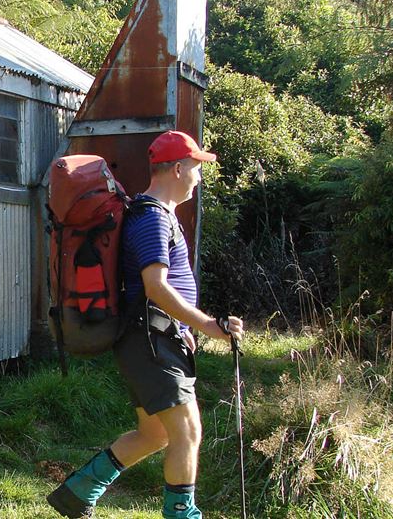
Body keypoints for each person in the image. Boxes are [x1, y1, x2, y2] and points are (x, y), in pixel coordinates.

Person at [46, 131, 244, 519]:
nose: (199, 177)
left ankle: (77, 492)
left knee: (156, 433)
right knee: (187, 431)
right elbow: (155, 286)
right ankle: (182, 515)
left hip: (151, 339)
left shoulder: (153, 214)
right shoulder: (152, 217)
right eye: (197, 168)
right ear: (178, 167)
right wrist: (207, 325)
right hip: (152, 340)